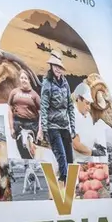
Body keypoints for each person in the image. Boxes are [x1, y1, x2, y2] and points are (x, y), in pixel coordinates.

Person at [37, 51, 75, 182]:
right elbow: (44, 107)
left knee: (70, 159)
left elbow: (70, 106)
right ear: (51, 66)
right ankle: (63, 184)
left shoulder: (65, 83)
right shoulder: (47, 83)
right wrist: (45, 128)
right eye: (55, 66)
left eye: (59, 66)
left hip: (65, 126)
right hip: (53, 127)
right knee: (62, 158)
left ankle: (69, 189)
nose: (57, 68)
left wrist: (73, 128)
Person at [7, 69, 41, 159]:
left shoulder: (35, 95)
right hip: (17, 122)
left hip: (31, 124)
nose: (23, 80)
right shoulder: (14, 92)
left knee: (30, 149)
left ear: (29, 80)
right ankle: (25, 166)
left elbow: (41, 113)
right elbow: (10, 109)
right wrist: (11, 128)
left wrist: (40, 131)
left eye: (25, 78)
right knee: (21, 149)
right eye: (21, 78)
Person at [71, 82, 107, 164]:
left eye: (90, 104)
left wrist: (96, 145)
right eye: (87, 103)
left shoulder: (86, 115)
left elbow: (87, 134)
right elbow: (75, 145)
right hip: (76, 163)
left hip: (87, 161)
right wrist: (93, 152)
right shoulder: (72, 116)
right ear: (79, 99)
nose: (89, 107)